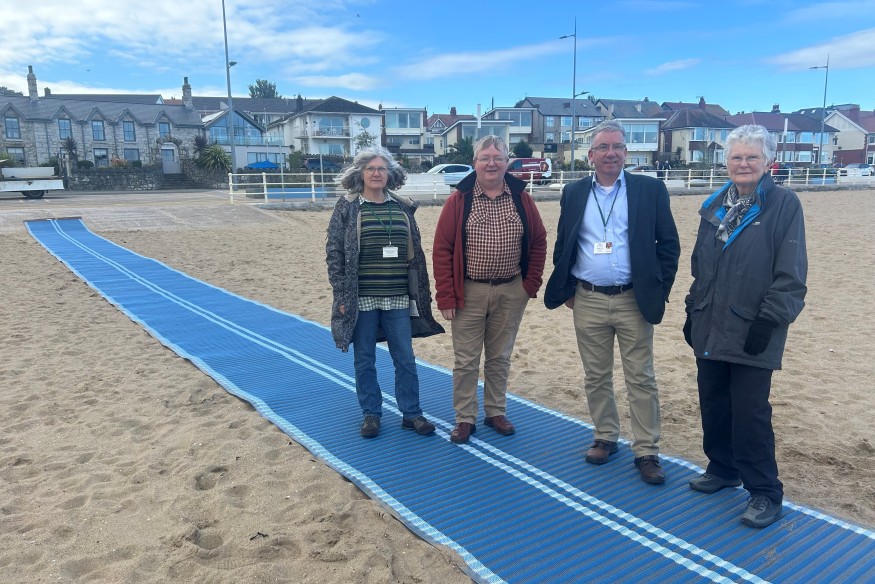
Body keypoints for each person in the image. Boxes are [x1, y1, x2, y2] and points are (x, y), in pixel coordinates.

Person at [684, 124, 807, 528]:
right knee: (714, 402)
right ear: (726, 162)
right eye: (736, 156)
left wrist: (769, 321)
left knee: (750, 413)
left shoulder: (783, 205)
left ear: (767, 161)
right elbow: (701, 267)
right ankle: (723, 468)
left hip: (754, 328)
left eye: (752, 157)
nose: (743, 163)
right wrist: (692, 309)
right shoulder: (714, 205)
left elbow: (790, 276)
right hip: (710, 323)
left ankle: (765, 491)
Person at [544, 120, 680, 484]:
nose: (611, 153)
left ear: (626, 152)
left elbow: (669, 246)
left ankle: (646, 450)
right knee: (596, 375)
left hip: (633, 299)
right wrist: (570, 288)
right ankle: (605, 436)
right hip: (587, 299)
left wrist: (657, 290)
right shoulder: (573, 193)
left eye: (617, 146)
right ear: (591, 155)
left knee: (641, 377)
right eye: (603, 147)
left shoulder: (649, 190)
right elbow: (563, 244)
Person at [433, 135, 547, 444]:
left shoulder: (523, 199)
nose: (492, 163)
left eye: (498, 157)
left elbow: (538, 241)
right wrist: (446, 295)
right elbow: (442, 249)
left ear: (508, 162)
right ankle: (464, 417)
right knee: (466, 360)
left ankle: (496, 411)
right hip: (469, 291)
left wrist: (529, 285)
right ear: (475, 163)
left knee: (500, 357)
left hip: (512, 290)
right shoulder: (459, 200)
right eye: (485, 157)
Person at [326, 146, 444, 438]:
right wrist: (342, 297)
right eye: (371, 169)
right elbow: (334, 253)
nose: (377, 173)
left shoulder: (402, 206)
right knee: (364, 358)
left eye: (381, 168)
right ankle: (371, 414)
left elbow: (415, 253)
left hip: (398, 298)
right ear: (361, 173)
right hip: (361, 298)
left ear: (390, 173)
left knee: (404, 357)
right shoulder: (348, 206)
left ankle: (412, 413)